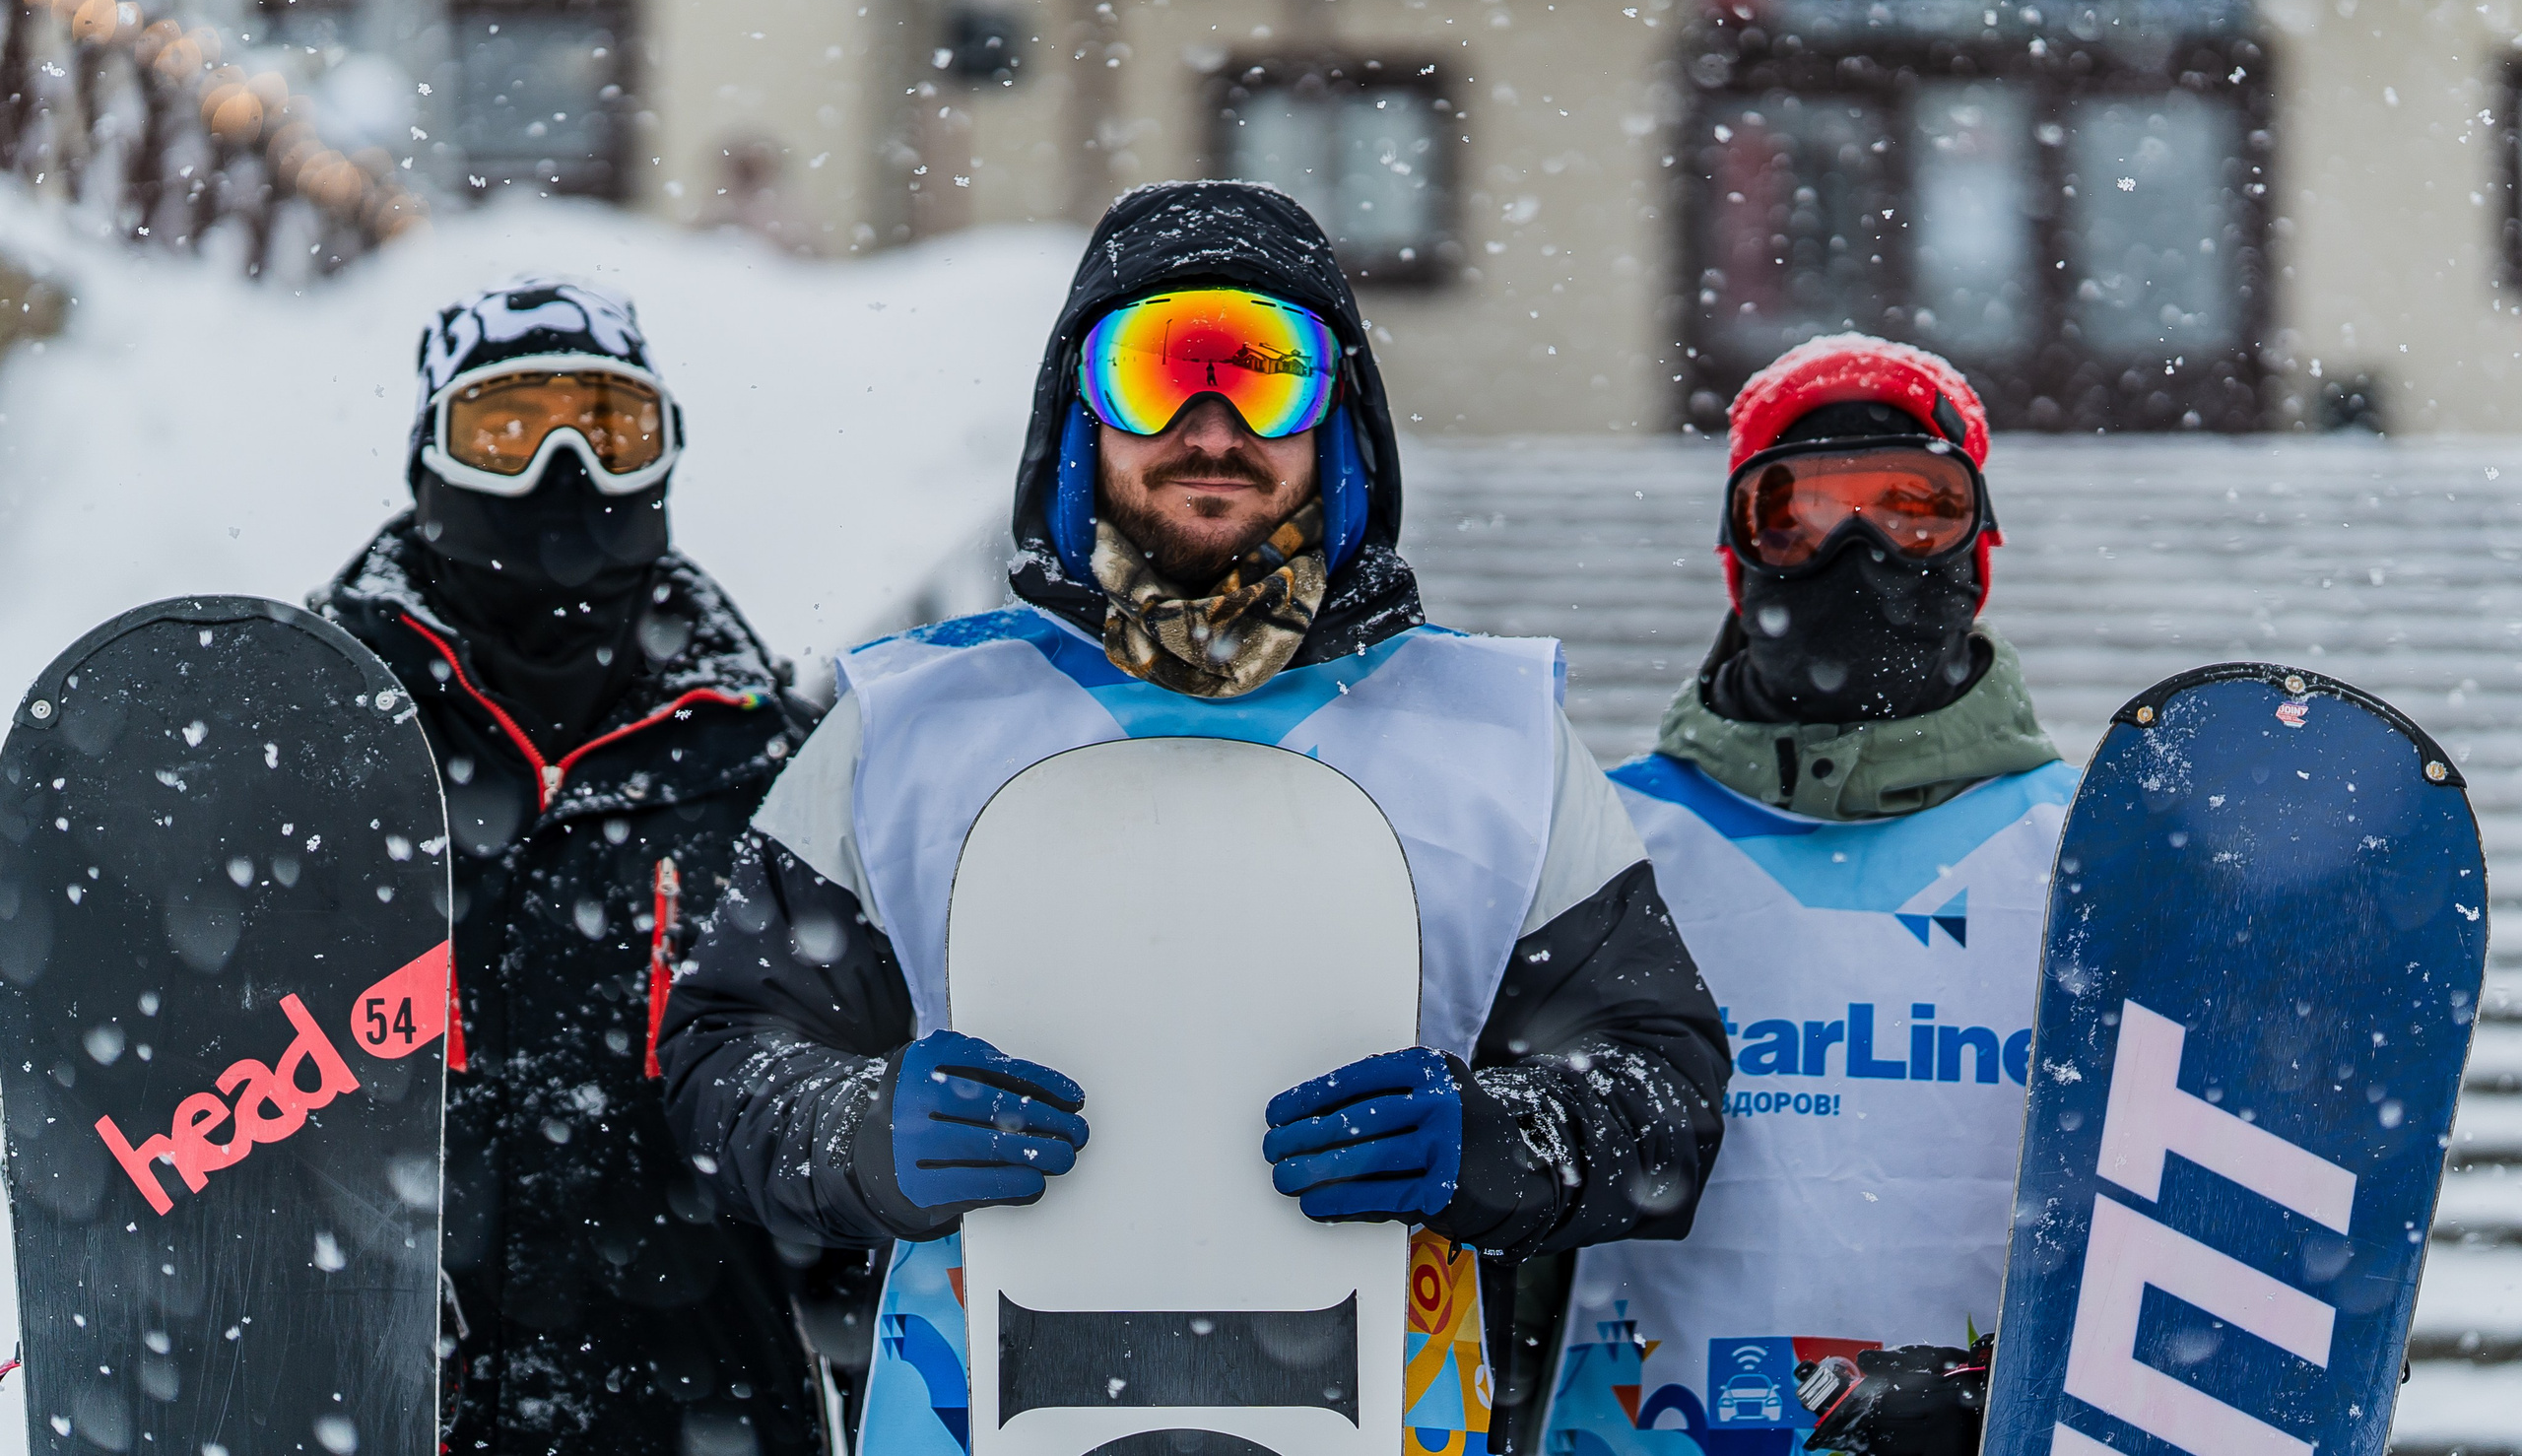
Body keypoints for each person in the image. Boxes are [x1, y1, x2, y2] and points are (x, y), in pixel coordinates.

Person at [657, 180, 1734, 1454]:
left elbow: (1664, 1085)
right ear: (1083, 409)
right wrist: (863, 1129)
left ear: (1337, 413)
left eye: (1267, 375)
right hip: (984, 1405)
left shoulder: (1488, 734)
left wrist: (1490, 1139)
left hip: (1378, 1401)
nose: (1212, 426)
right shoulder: (911, 724)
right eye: (1158, 370)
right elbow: (719, 1059)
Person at [312, 278, 830, 1456]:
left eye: (609, 427)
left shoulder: (770, 764)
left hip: (696, 1407)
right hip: (373, 1400)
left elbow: (834, 1128)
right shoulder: (320, 738)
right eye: (504, 427)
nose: (564, 467)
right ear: (430, 460)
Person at [1539, 335, 2072, 1456]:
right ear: (1743, 558)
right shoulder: (1599, 838)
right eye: (1797, 513)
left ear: (1975, 550)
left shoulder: (2082, 852)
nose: (1863, 551)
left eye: (1916, 505)